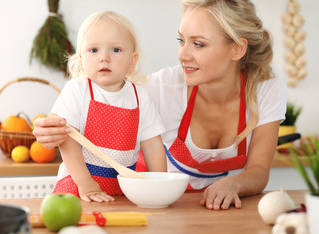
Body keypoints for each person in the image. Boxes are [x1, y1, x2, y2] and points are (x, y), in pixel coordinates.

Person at [33, 0, 286, 210]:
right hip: (140, 200)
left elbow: (259, 170)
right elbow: (102, 92)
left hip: (200, 209)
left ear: (237, 48)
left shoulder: (265, 87)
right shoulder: (158, 87)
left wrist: (235, 184)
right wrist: (47, 129)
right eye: (181, 40)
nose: (182, 54)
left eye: (198, 44)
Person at [46, 10, 167, 203]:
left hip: (125, 187)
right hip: (78, 184)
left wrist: (161, 186)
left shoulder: (140, 97)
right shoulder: (77, 90)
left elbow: (153, 146)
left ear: (132, 61)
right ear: (81, 59)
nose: (104, 58)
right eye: (94, 50)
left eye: (116, 50)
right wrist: (85, 183)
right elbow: (67, 141)